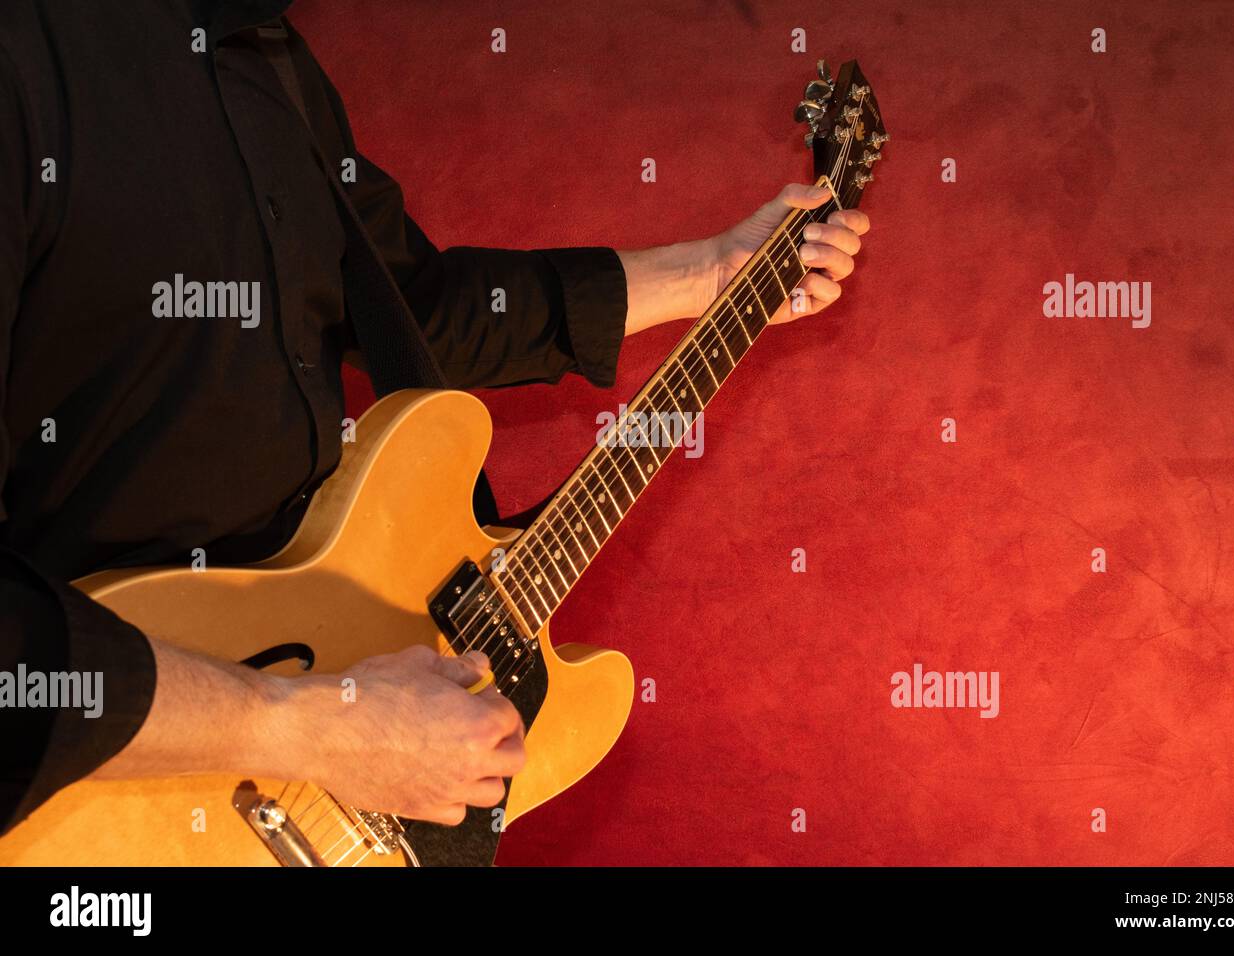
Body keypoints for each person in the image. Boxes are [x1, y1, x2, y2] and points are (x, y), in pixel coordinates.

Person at [0, 0, 870, 834]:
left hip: (312, 730)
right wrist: (316, 728)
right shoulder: (26, 56)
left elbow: (414, 303)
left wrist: (710, 273)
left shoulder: (271, 57)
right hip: (111, 769)